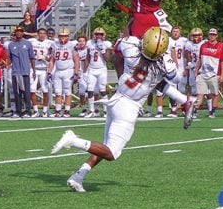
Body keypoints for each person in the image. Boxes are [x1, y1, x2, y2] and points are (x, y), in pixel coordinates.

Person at [51, 27, 196, 192]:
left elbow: (120, 45)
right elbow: (174, 77)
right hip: (128, 108)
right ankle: (73, 140)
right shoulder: (164, 64)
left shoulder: (130, 46)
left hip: (116, 99)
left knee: (105, 146)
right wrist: (167, 57)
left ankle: (78, 176)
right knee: (111, 152)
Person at [196, 28, 223, 118]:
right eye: (210, 34)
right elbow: (200, 59)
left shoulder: (221, 46)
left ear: (217, 36)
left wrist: (222, 75)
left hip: (214, 74)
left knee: (214, 94)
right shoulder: (203, 45)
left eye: (213, 34)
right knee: (200, 93)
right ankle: (194, 110)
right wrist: (196, 71)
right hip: (203, 73)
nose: (212, 36)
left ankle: (212, 111)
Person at [49, 27, 78, 118]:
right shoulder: (55, 45)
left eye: (65, 36)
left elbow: (76, 60)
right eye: (61, 36)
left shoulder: (71, 45)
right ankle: (57, 110)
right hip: (58, 71)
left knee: (67, 91)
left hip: (68, 70)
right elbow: (52, 60)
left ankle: (67, 110)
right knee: (57, 91)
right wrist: (49, 71)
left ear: (68, 37)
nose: (63, 38)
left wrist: (76, 73)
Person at [7, 26, 34, 117]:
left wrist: (33, 70)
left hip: (25, 71)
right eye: (17, 31)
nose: (19, 33)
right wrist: (7, 66)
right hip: (15, 71)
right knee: (16, 92)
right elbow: (9, 58)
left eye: (21, 31)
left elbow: (32, 57)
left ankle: (27, 110)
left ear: (23, 33)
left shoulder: (28, 43)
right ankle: (18, 111)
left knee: (26, 92)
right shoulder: (11, 45)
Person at [85, 27, 112, 118]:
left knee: (102, 90)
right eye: (97, 34)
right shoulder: (90, 43)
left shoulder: (106, 44)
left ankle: (106, 111)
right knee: (90, 89)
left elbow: (107, 59)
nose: (99, 36)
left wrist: (103, 50)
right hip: (92, 69)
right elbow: (88, 58)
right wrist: (85, 71)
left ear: (104, 35)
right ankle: (91, 110)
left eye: (101, 34)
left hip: (102, 69)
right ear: (94, 35)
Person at [29, 27, 53, 117]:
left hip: (44, 69)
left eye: (44, 33)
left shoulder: (49, 43)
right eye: (40, 33)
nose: (42, 35)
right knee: (32, 90)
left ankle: (45, 110)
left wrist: (45, 58)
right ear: (37, 34)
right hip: (33, 68)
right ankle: (35, 110)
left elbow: (52, 56)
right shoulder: (32, 41)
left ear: (46, 35)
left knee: (45, 90)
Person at [182, 27, 203, 114]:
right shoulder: (188, 44)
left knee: (205, 91)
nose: (195, 37)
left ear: (201, 36)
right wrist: (190, 64)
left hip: (202, 69)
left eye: (197, 35)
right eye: (194, 35)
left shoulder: (204, 43)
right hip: (192, 68)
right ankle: (193, 110)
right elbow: (187, 54)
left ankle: (211, 110)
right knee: (194, 90)